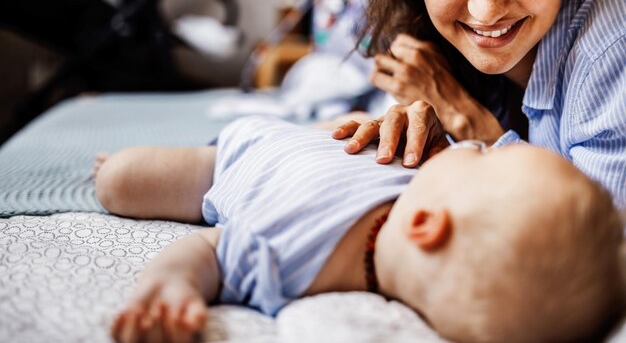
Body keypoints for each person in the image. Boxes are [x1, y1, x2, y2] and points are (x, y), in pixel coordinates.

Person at [95, 116, 624, 343]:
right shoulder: (424, 189)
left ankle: (111, 166)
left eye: (481, 156)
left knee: (121, 180)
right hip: (326, 138)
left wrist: (172, 285)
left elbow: (206, 249)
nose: (470, 144)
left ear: (425, 225)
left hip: (234, 162)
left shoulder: (290, 263)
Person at [331, 0, 626, 209]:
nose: (487, 10)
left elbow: (602, 248)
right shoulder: (421, 52)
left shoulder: (615, 35)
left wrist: (462, 118)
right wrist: (445, 147)